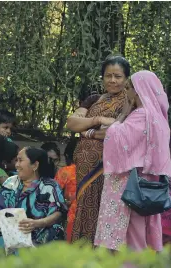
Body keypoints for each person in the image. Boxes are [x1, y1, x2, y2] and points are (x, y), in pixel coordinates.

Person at [94, 71, 171, 252]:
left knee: (131, 234)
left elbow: (116, 137)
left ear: (138, 91)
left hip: (130, 184)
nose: (126, 92)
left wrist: (122, 116)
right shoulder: (159, 119)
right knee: (143, 230)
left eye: (129, 88)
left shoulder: (141, 115)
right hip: (148, 185)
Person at [66, 55, 130, 244]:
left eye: (118, 76)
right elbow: (72, 122)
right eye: (108, 76)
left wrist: (87, 131)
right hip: (84, 165)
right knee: (85, 206)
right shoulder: (94, 99)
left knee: (103, 207)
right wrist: (97, 121)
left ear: (126, 79)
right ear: (102, 78)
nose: (112, 80)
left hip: (108, 166)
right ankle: (81, 250)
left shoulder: (129, 102)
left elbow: (118, 130)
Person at [0, 147, 67, 249]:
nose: (16, 165)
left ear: (35, 165)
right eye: (16, 160)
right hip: (9, 232)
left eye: (20, 160)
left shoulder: (50, 186)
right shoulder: (11, 182)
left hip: (39, 233)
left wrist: (37, 223)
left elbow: (58, 213)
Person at [54, 138, 77, 241]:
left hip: (70, 217)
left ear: (67, 155)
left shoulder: (65, 172)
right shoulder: (97, 172)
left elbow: (53, 195)